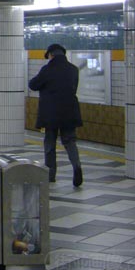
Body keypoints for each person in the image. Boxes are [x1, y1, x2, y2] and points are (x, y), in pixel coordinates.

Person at [28, 43, 83, 187]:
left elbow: (33, 85)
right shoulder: (73, 70)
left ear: (51, 55)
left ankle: (50, 174)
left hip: (50, 114)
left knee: (50, 143)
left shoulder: (47, 69)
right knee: (70, 142)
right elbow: (73, 88)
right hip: (70, 112)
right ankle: (77, 166)